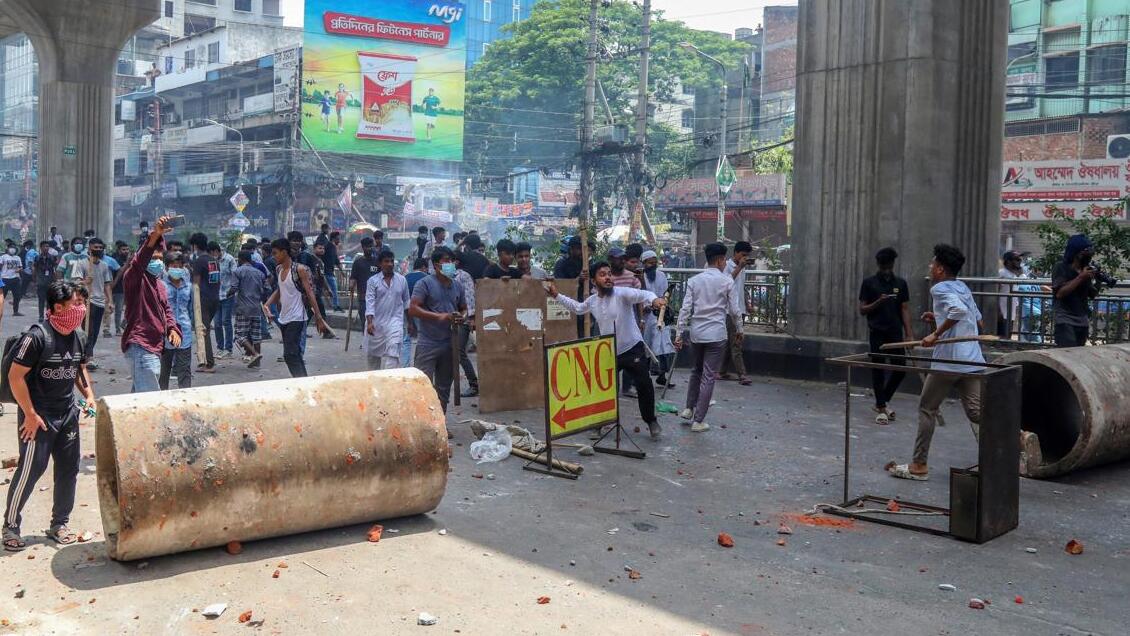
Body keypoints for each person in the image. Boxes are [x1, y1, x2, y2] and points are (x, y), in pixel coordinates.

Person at [2, 281, 96, 552]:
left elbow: (79, 368)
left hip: (67, 413)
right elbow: (15, 376)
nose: (81, 309)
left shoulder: (77, 335)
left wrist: (88, 395)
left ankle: (59, 524)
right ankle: (11, 525)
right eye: (76, 304)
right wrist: (29, 415)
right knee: (32, 469)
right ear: (58, 307)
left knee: (68, 470)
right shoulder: (36, 337)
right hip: (38, 416)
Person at [887, 244, 984, 481]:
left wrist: (936, 334)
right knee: (977, 412)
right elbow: (977, 322)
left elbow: (958, 312)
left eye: (933, 264)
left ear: (940, 269)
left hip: (948, 362)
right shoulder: (963, 288)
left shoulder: (939, 288)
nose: (930, 267)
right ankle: (1017, 437)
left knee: (927, 408)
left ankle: (919, 465)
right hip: (972, 360)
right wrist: (937, 320)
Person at [545, 263, 666, 439]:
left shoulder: (622, 293)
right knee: (603, 390)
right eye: (602, 275)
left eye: (609, 274)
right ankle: (599, 424)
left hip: (632, 347)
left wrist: (654, 299)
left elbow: (643, 294)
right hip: (608, 351)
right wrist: (556, 295)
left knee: (644, 386)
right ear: (594, 281)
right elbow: (578, 309)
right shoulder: (593, 301)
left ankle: (651, 421)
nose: (608, 277)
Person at [675, 243, 740, 433]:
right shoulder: (727, 281)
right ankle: (699, 420)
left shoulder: (694, 281)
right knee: (709, 375)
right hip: (717, 333)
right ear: (720, 260)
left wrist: (679, 333)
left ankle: (688, 408)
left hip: (697, 333)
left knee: (696, 370)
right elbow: (735, 311)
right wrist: (740, 330)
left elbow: (685, 309)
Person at [121, 215, 182, 393]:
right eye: (153, 258)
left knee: (138, 399)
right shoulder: (134, 278)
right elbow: (140, 261)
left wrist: (172, 328)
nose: (157, 262)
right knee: (149, 398)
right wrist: (155, 235)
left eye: (160, 258)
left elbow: (167, 310)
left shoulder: (160, 285)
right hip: (141, 345)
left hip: (154, 346)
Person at [858, 247, 913, 424]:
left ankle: (882, 400)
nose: (887, 269)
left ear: (893, 264)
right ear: (880, 265)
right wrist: (878, 302)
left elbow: (904, 309)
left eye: (889, 266)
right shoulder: (869, 283)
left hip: (895, 332)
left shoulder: (900, 284)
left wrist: (909, 334)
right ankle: (881, 407)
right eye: (884, 266)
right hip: (877, 331)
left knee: (900, 368)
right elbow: (862, 309)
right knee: (878, 369)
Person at [408, 247, 467, 413]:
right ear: (436, 265)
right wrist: (439, 317)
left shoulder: (457, 286)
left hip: (449, 343)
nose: (450, 264)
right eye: (446, 260)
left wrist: (461, 316)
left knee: (443, 387)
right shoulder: (424, 283)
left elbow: (464, 308)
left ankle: (440, 423)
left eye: (452, 260)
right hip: (428, 342)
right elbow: (413, 309)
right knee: (422, 384)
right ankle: (424, 421)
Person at [263, 238, 328, 378]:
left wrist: (319, 317)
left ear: (284, 252)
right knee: (294, 354)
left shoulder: (299, 269)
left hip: (297, 317)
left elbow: (310, 293)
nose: (273, 257)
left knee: (289, 354)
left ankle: (301, 382)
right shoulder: (279, 269)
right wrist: (267, 304)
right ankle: (303, 382)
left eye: (275, 253)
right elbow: (279, 290)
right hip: (284, 317)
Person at [71, 238, 114, 370]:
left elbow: (107, 285)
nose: (99, 249)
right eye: (96, 247)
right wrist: (85, 281)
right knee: (87, 330)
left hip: (100, 302)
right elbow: (76, 282)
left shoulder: (104, 266)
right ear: (89, 249)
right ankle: (88, 357)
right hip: (87, 301)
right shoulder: (81, 263)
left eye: (101, 247)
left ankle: (86, 355)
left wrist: (110, 301)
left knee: (94, 332)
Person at [364, 250, 410, 370]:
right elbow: (370, 303)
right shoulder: (372, 281)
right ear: (380, 264)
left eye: (391, 261)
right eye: (386, 261)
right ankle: (374, 383)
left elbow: (406, 302)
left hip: (395, 322)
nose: (390, 264)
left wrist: (410, 323)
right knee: (373, 359)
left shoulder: (402, 280)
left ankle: (389, 380)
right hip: (376, 323)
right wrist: (369, 322)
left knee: (393, 353)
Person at [1051, 234, 1099, 348]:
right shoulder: (1061, 267)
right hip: (1065, 319)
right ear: (1077, 253)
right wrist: (1081, 277)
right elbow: (1060, 293)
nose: (1089, 255)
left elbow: (1092, 294)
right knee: (1067, 352)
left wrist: (1098, 279)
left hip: (1082, 319)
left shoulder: (1085, 269)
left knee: (1078, 354)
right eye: (1086, 252)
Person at [641, 250, 676, 387]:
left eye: (655, 263)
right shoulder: (640, 277)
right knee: (647, 347)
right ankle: (644, 377)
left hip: (660, 315)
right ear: (644, 264)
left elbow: (665, 293)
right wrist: (647, 306)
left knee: (663, 346)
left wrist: (661, 304)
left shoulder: (661, 275)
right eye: (650, 263)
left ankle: (662, 376)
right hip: (646, 316)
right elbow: (640, 295)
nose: (653, 265)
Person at [159, 253, 194, 390]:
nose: (178, 268)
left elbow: (192, 309)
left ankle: (185, 394)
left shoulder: (189, 287)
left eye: (180, 266)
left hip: (184, 330)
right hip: (166, 331)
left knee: (184, 367)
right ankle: (162, 395)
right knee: (164, 368)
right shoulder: (160, 286)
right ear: (167, 268)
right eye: (174, 266)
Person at [721, 241, 753, 385]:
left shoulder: (743, 267)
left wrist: (747, 303)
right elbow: (726, 282)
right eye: (743, 255)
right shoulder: (727, 266)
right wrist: (739, 267)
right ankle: (742, 374)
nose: (745, 257)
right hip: (730, 310)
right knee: (737, 343)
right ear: (736, 253)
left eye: (747, 256)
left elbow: (741, 286)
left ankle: (721, 371)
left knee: (731, 342)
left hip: (740, 309)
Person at [188, 233, 220, 373]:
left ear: (195, 246)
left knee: (203, 330)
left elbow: (196, 283)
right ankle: (205, 361)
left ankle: (208, 363)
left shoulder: (199, 261)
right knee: (205, 329)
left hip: (203, 300)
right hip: (215, 298)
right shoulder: (213, 261)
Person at [229, 249, 266, 368]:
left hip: (243, 308)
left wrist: (227, 294)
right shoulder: (259, 273)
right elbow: (266, 288)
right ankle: (257, 361)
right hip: (256, 307)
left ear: (240, 259)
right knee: (256, 335)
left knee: (240, 335)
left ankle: (255, 355)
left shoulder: (238, 271)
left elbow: (234, 288)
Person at [453, 252, 480, 397]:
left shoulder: (463, 276)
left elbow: (470, 297)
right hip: (449, 318)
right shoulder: (445, 277)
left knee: (459, 352)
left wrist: (471, 318)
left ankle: (474, 384)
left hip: (462, 318)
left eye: (448, 260)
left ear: (456, 262)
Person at [211, 242, 236, 359]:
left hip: (227, 295)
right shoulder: (212, 261)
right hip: (216, 295)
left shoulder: (230, 259)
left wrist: (233, 290)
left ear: (218, 251)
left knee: (226, 321)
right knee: (217, 323)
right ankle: (220, 348)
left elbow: (235, 276)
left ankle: (228, 349)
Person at [997, 250, 1024, 338]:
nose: (1019, 262)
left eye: (1020, 260)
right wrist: (998, 311)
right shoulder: (1002, 273)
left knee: (1007, 338)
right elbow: (996, 291)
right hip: (1002, 313)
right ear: (1008, 261)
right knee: (1002, 339)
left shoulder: (1014, 275)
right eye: (1017, 259)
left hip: (1010, 313)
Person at [32, 241, 58, 322]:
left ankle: (48, 315)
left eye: (47, 246)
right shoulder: (37, 257)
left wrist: (55, 280)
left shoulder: (52, 257)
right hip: (40, 281)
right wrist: (34, 280)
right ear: (41, 247)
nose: (46, 248)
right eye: (44, 246)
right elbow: (34, 268)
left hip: (50, 281)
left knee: (49, 300)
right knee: (41, 299)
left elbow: (55, 269)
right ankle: (40, 316)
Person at [110, 241, 130, 335]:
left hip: (127, 288)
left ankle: (123, 323)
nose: (125, 251)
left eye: (127, 249)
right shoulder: (115, 260)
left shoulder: (131, 260)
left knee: (130, 308)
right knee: (117, 310)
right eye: (123, 249)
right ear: (119, 250)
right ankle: (117, 329)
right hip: (116, 288)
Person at [0, 242, 23, 316]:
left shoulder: (17, 258)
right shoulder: (3, 257)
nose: (12, 249)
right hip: (5, 278)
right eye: (11, 247)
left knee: (17, 296)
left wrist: (19, 270)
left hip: (15, 278)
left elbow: (20, 267)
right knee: (2, 296)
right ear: (8, 249)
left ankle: (15, 311)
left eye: (14, 247)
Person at [323, 231, 344, 311]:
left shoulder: (332, 247)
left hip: (329, 272)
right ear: (334, 238)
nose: (339, 240)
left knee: (331, 290)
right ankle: (335, 306)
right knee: (333, 289)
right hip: (327, 272)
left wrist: (341, 271)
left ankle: (334, 305)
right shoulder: (329, 246)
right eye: (338, 238)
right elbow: (335, 260)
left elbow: (336, 260)